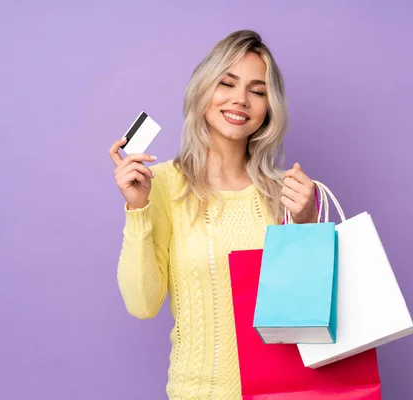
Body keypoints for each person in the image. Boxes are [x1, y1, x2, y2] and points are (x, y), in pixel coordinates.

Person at [108, 30, 319, 399]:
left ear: (269, 107)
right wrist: (138, 208)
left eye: (257, 90)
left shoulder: (287, 193)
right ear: (203, 90)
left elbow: (311, 309)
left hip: (286, 391)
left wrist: (306, 225)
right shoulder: (161, 184)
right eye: (227, 83)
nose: (241, 99)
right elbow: (142, 304)